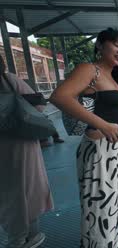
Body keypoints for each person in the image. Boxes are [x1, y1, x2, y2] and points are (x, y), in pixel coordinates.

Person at [50, 28, 118, 248]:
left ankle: (117, 242)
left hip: (117, 149)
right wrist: (102, 125)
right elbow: (59, 97)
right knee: (101, 207)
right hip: (99, 151)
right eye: (116, 44)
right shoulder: (89, 69)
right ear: (99, 45)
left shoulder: (111, 76)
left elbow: (107, 108)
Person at [0, 56, 54, 247]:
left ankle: (15, 237)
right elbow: (38, 106)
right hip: (22, 143)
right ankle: (28, 236)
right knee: (29, 187)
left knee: (6, 194)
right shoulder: (9, 80)